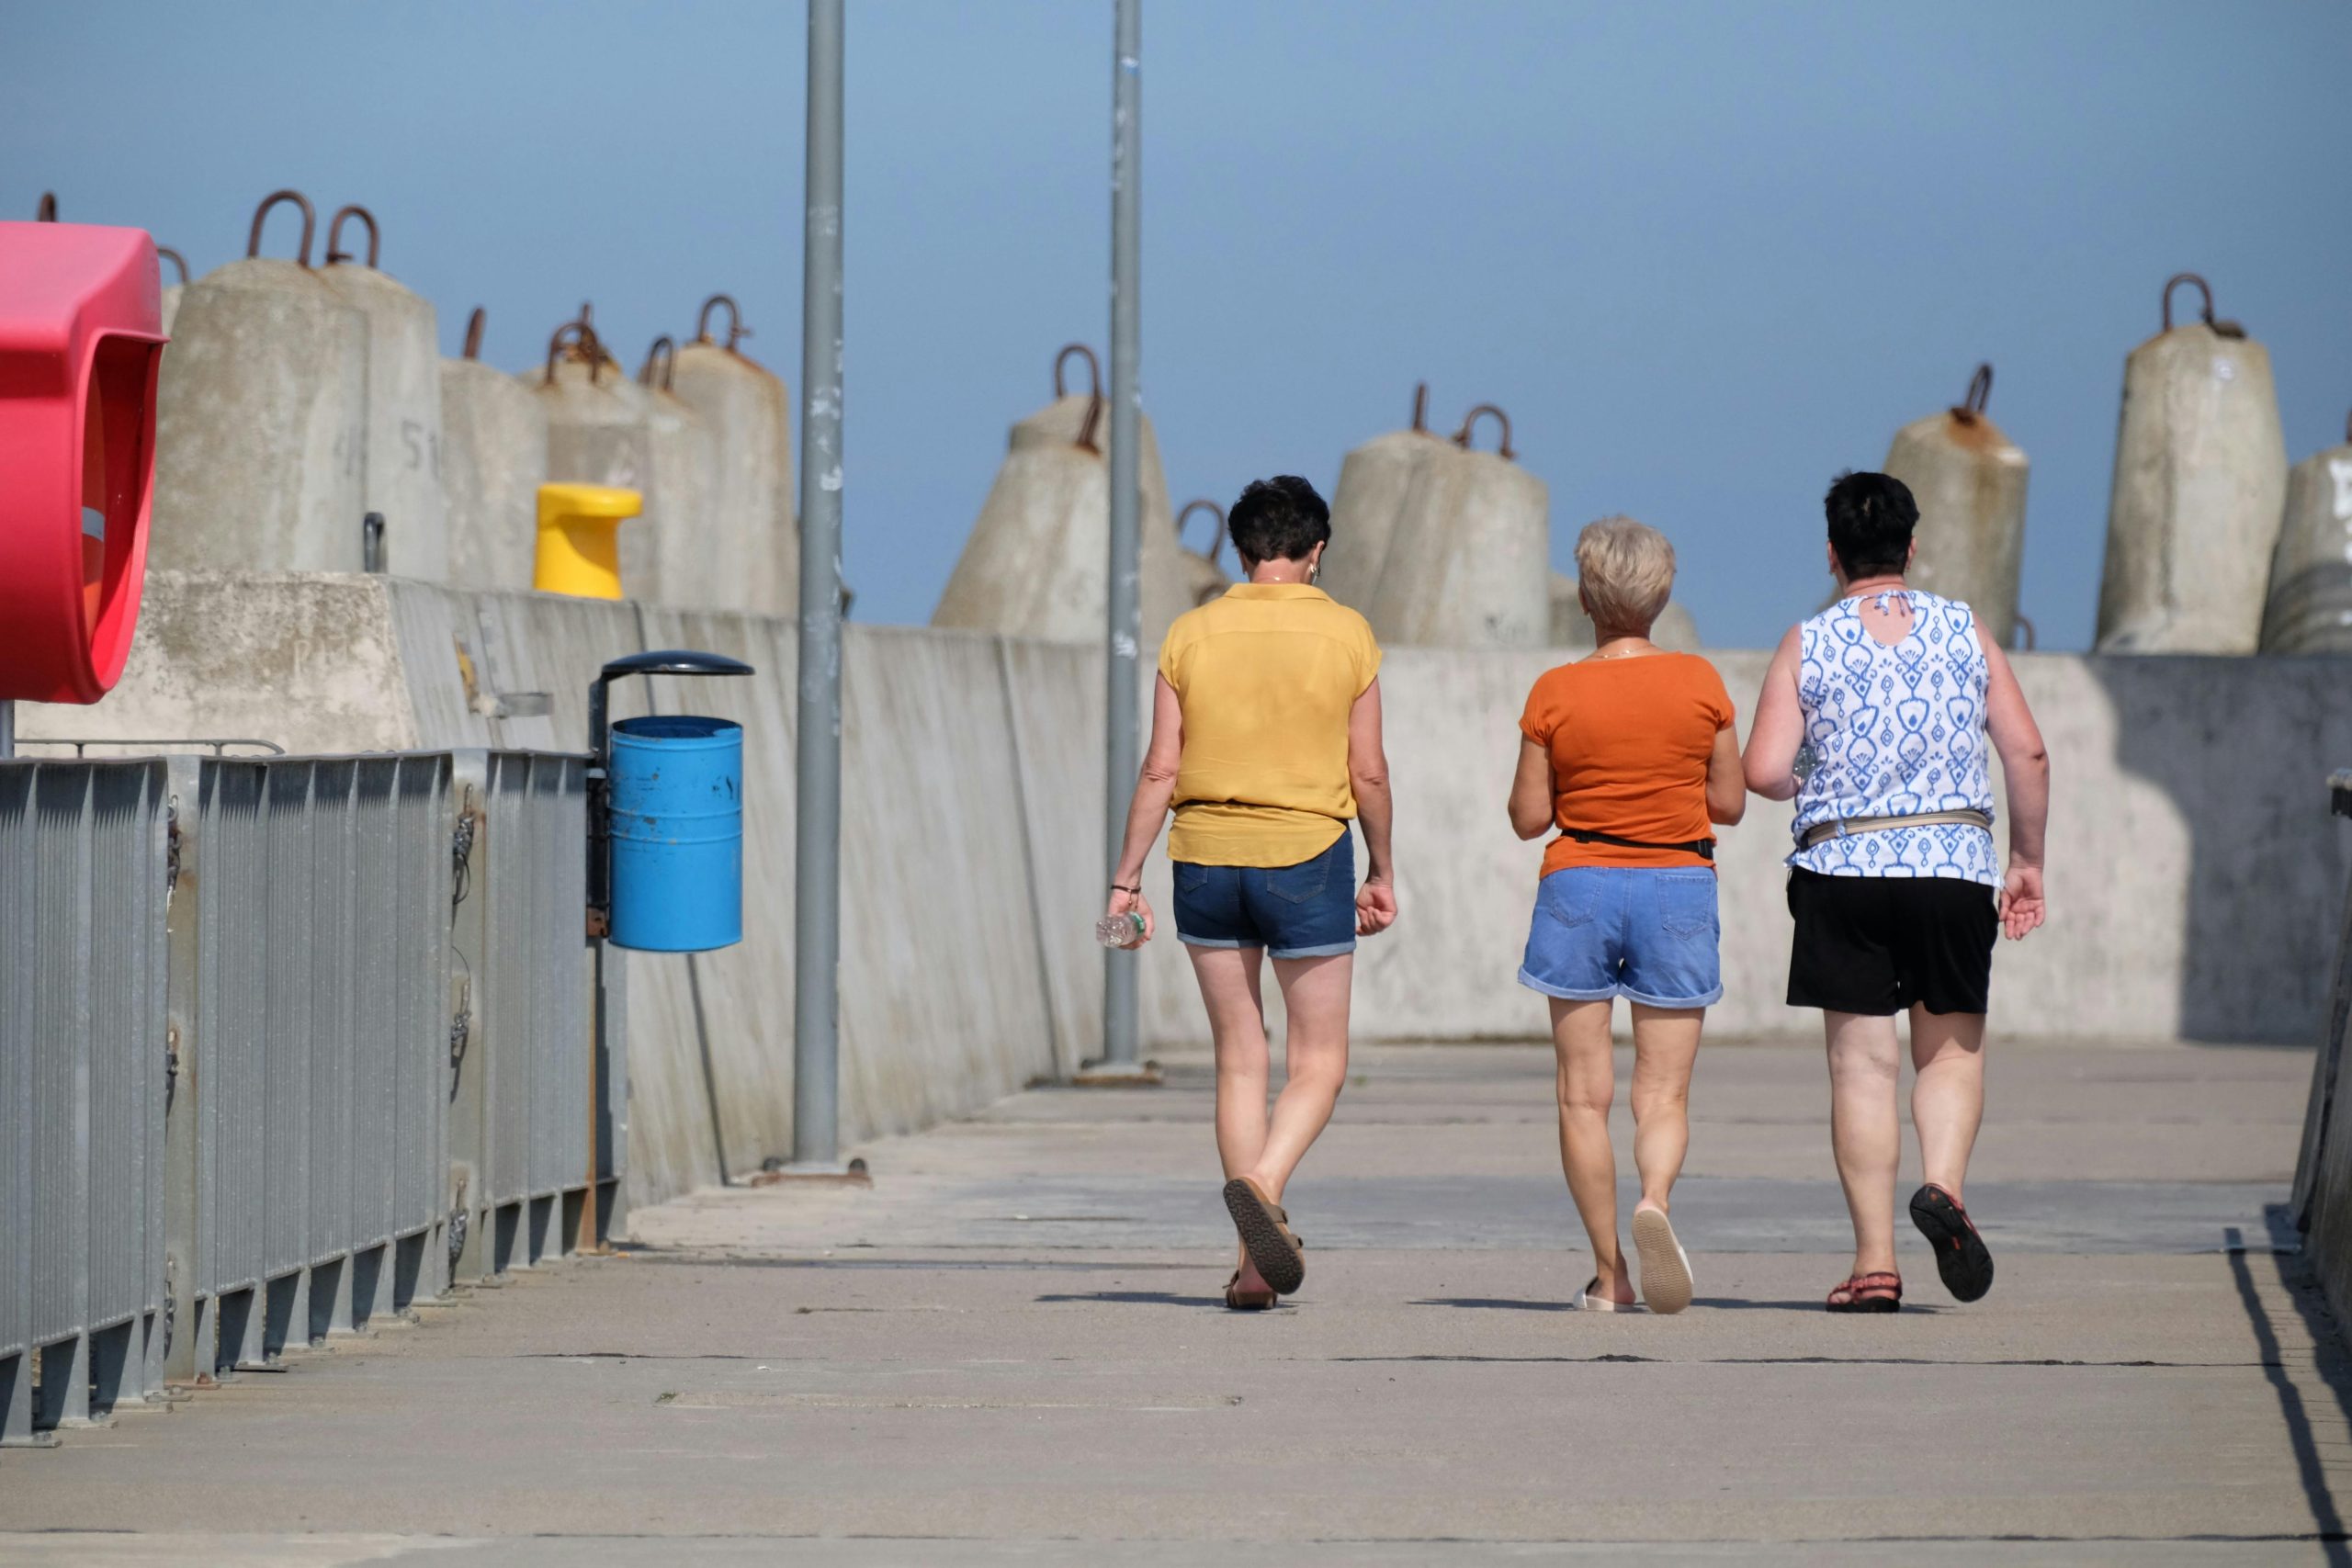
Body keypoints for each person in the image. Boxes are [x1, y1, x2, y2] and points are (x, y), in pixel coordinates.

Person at [1743, 471, 2050, 1314]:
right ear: (1912, 547)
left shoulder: (1808, 641)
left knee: (1862, 1069)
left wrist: (1819, 760)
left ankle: (1875, 1262)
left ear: (1834, 554)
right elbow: (2027, 754)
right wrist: (2027, 860)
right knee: (1949, 1054)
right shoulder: (1964, 631)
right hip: (1952, 864)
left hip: (1842, 868)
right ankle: (1943, 1186)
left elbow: (1765, 771)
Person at [1104, 475, 1397, 1312]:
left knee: (1241, 1058)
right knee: (1320, 1063)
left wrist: (1126, 877)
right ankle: (1264, 1186)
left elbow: (1161, 766)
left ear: (1240, 551)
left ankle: (1251, 1267)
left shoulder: (1190, 632)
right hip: (1305, 854)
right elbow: (1367, 770)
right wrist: (1381, 868)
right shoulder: (1348, 633)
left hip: (1203, 854)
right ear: (1317, 551)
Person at [1508, 517, 1746, 1314]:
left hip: (1579, 880)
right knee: (1663, 1094)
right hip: (1677, 884)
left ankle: (1610, 1275)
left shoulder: (1554, 691)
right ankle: (1656, 1203)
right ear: (1664, 596)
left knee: (1583, 1094)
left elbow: (1527, 816)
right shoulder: (1703, 684)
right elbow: (1730, 803)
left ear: (1584, 597)